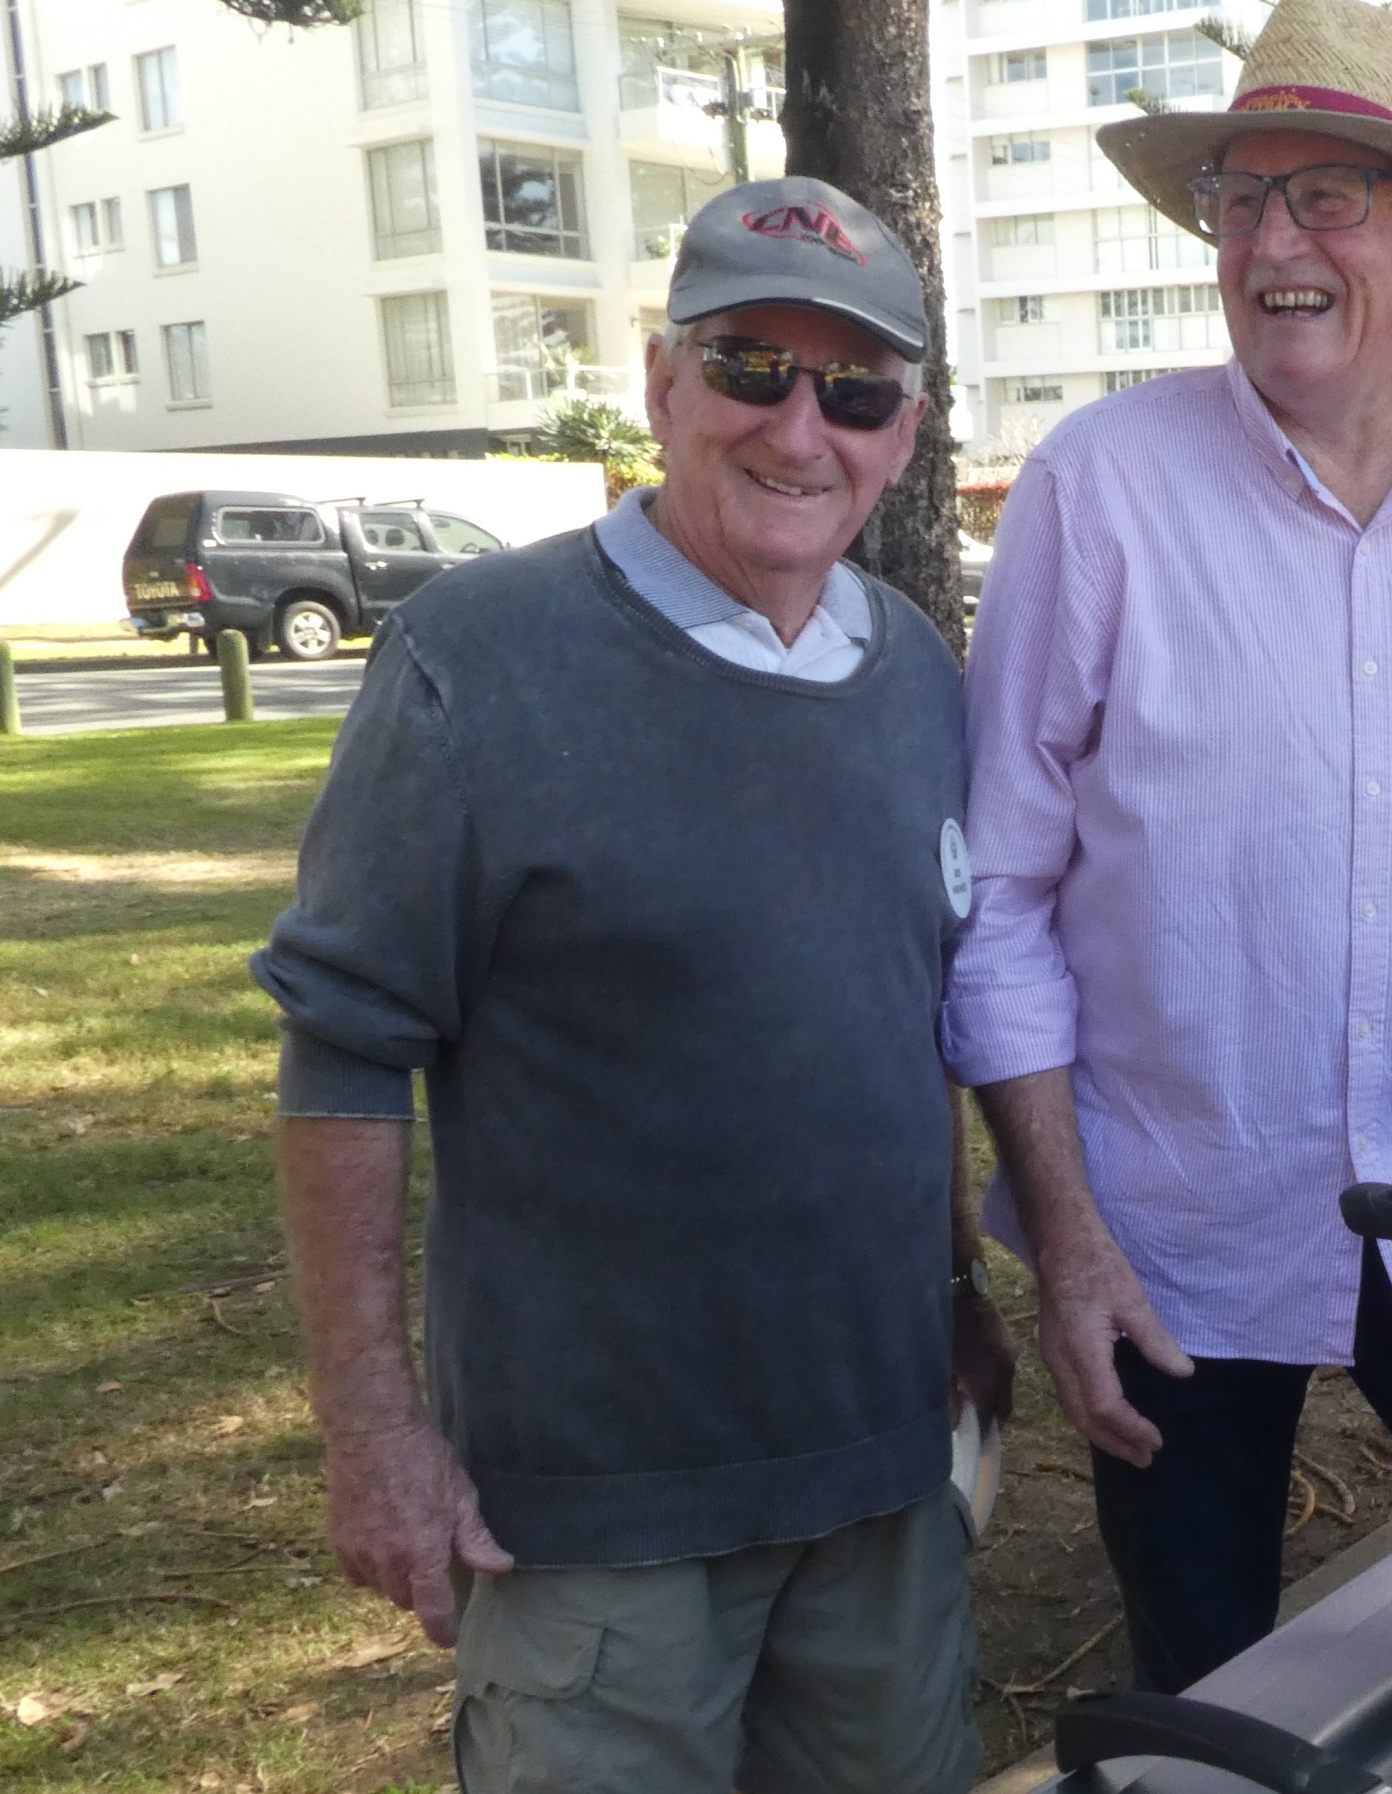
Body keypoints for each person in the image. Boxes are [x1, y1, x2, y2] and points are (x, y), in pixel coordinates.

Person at [252, 175, 1011, 1794]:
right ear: (664, 382)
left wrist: (960, 1289)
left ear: (905, 432)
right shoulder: (475, 655)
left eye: (854, 390)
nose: (800, 428)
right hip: (593, 1519)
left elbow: (909, 1017)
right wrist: (372, 1433)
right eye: (750, 366)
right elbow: (342, 1050)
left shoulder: (915, 670)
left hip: (881, 1481)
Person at [944, 0, 1392, 1693]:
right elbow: (1000, 894)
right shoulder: (1099, 487)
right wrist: (1066, 1236)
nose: (1272, 243)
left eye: (1328, 197)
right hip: (1172, 1221)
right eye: (1241, 198)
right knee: (1206, 1688)